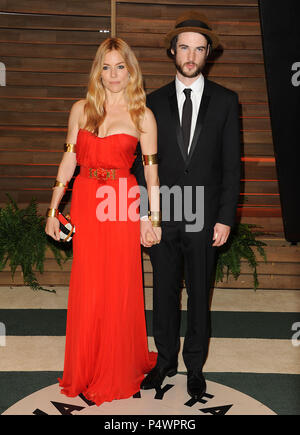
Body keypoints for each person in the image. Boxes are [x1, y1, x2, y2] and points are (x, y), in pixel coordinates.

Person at [45, 37, 160, 406]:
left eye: (120, 66)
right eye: (106, 66)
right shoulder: (81, 109)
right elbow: (68, 162)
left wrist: (151, 219)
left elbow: (151, 176)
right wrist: (53, 210)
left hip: (121, 203)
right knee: (88, 285)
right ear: (98, 70)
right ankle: (87, 365)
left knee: (119, 285)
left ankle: (116, 367)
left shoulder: (143, 114)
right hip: (86, 200)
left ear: (131, 70)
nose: (113, 74)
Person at [134, 11, 241, 399]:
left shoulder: (227, 101)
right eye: (184, 47)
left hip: (205, 217)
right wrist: (146, 216)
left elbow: (232, 165)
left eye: (199, 48)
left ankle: (195, 366)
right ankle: (164, 361)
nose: (191, 55)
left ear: (208, 53)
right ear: (172, 51)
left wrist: (226, 217)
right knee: (163, 292)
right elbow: (138, 164)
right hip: (163, 217)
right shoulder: (150, 102)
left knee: (199, 294)